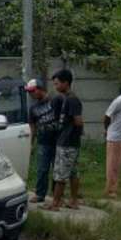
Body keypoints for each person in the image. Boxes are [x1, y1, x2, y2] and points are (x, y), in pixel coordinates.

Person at [48, 69, 83, 211]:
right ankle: (73, 201)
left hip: (67, 143)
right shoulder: (65, 98)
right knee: (73, 172)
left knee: (60, 174)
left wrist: (71, 135)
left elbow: (78, 121)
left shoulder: (72, 100)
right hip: (68, 141)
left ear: (66, 83)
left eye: (57, 84)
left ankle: (55, 203)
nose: (55, 87)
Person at [25, 78, 62, 204]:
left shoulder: (54, 100)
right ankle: (40, 194)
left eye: (32, 91)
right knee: (42, 169)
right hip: (43, 141)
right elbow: (32, 127)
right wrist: (31, 144)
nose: (31, 94)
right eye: (29, 92)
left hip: (58, 140)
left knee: (57, 170)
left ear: (40, 89)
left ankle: (57, 196)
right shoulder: (33, 108)